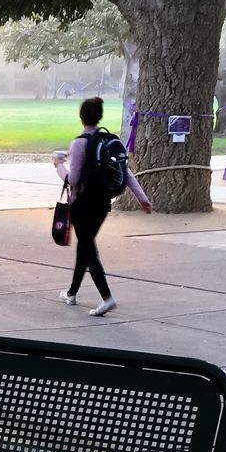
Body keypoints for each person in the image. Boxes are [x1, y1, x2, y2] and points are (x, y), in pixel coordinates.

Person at [54, 97, 152, 317]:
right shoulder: (106, 141)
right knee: (85, 246)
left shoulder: (79, 143)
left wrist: (59, 166)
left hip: (83, 203)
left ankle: (107, 297)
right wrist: (142, 198)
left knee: (88, 249)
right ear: (99, 117)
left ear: (81, 117)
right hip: (102, 203)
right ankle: (71, 293)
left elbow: (73, 179)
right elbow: (125, 172)